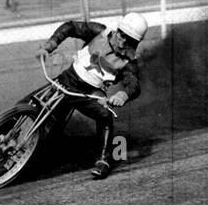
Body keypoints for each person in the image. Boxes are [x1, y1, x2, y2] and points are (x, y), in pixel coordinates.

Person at [38, 12, 148, 178]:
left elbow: (134, 85)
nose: (123, 42)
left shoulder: (129, 62)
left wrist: (122, 95)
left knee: (105, 115)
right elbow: (71, 27)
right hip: (68, 79)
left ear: (136, 43)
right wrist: (49, 46)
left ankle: (104, 160)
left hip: (90, 94)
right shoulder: (99, 31)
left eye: (130, 41)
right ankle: (1, 133)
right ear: (117, 30)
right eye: (122, 36)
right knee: (33, 104)